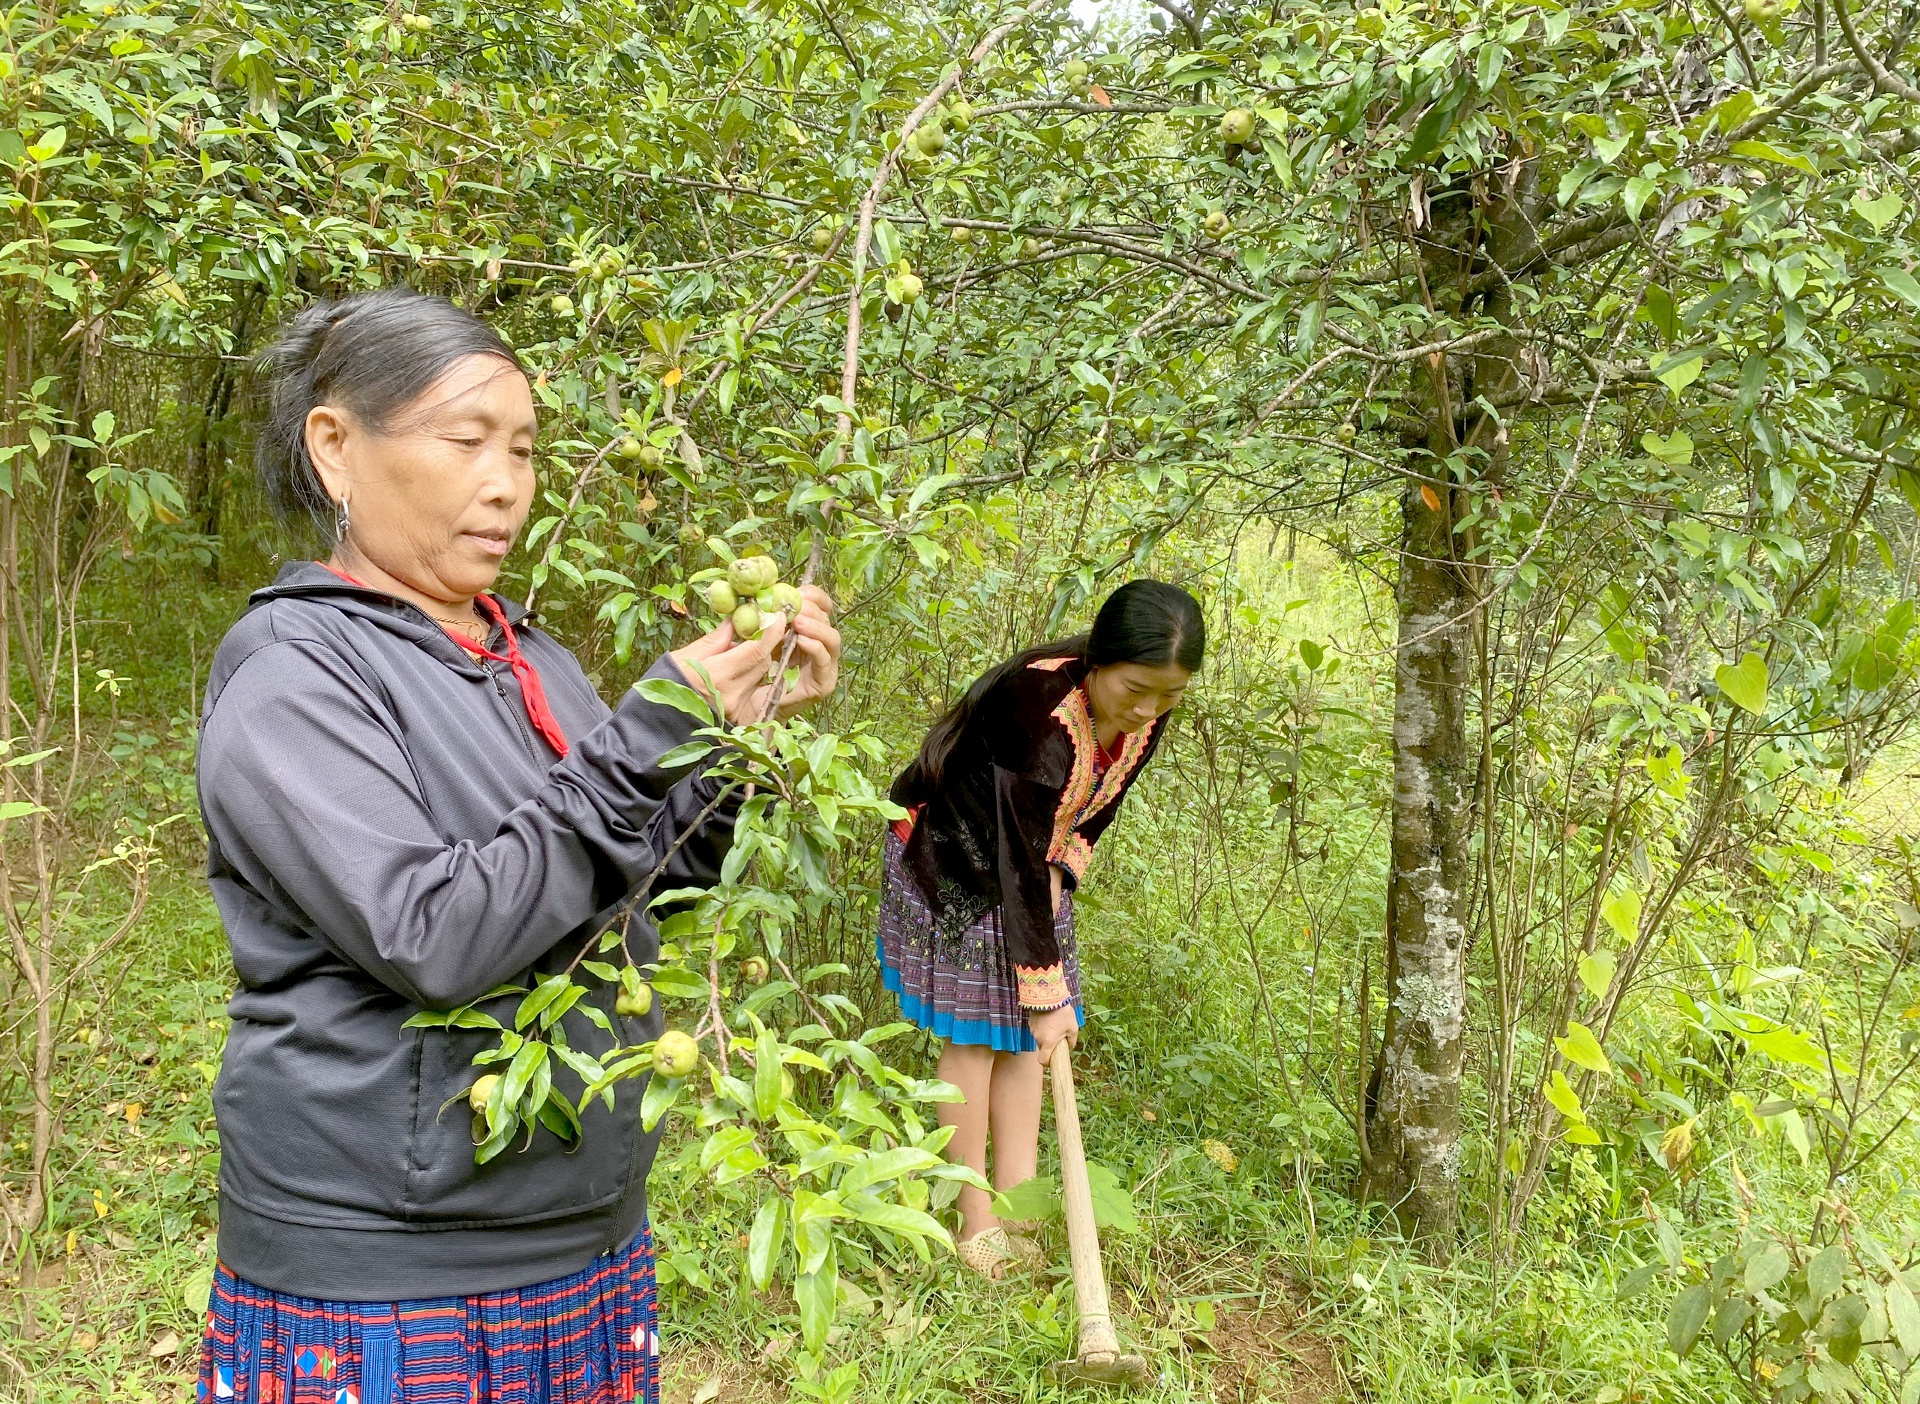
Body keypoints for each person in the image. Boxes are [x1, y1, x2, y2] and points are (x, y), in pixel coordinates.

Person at [192, 287, 841, 1404]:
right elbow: (434, 934)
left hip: (578, 1236)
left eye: (526, 449)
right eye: (467, 441)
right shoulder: (292, 674)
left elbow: (643, 894)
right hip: (391, 1271)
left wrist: (733, 740)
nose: (506, 484)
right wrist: (648, 731)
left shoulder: (528, 656)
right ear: (337, 447)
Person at [878, 580, 1204, 1278]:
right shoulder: (1039, 712)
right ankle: (975, 1225)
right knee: (975, 1037)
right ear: (1100, 659)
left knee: (1027, 1041)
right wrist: (1047, 988)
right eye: (1137, 688)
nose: (1148, 708)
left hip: (1031, 861)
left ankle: (1018, 1204)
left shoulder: (1148, 706)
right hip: (955, 852)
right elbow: (1010, 853)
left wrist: (1067, 868)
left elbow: (1093, 811)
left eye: (1168, 695)